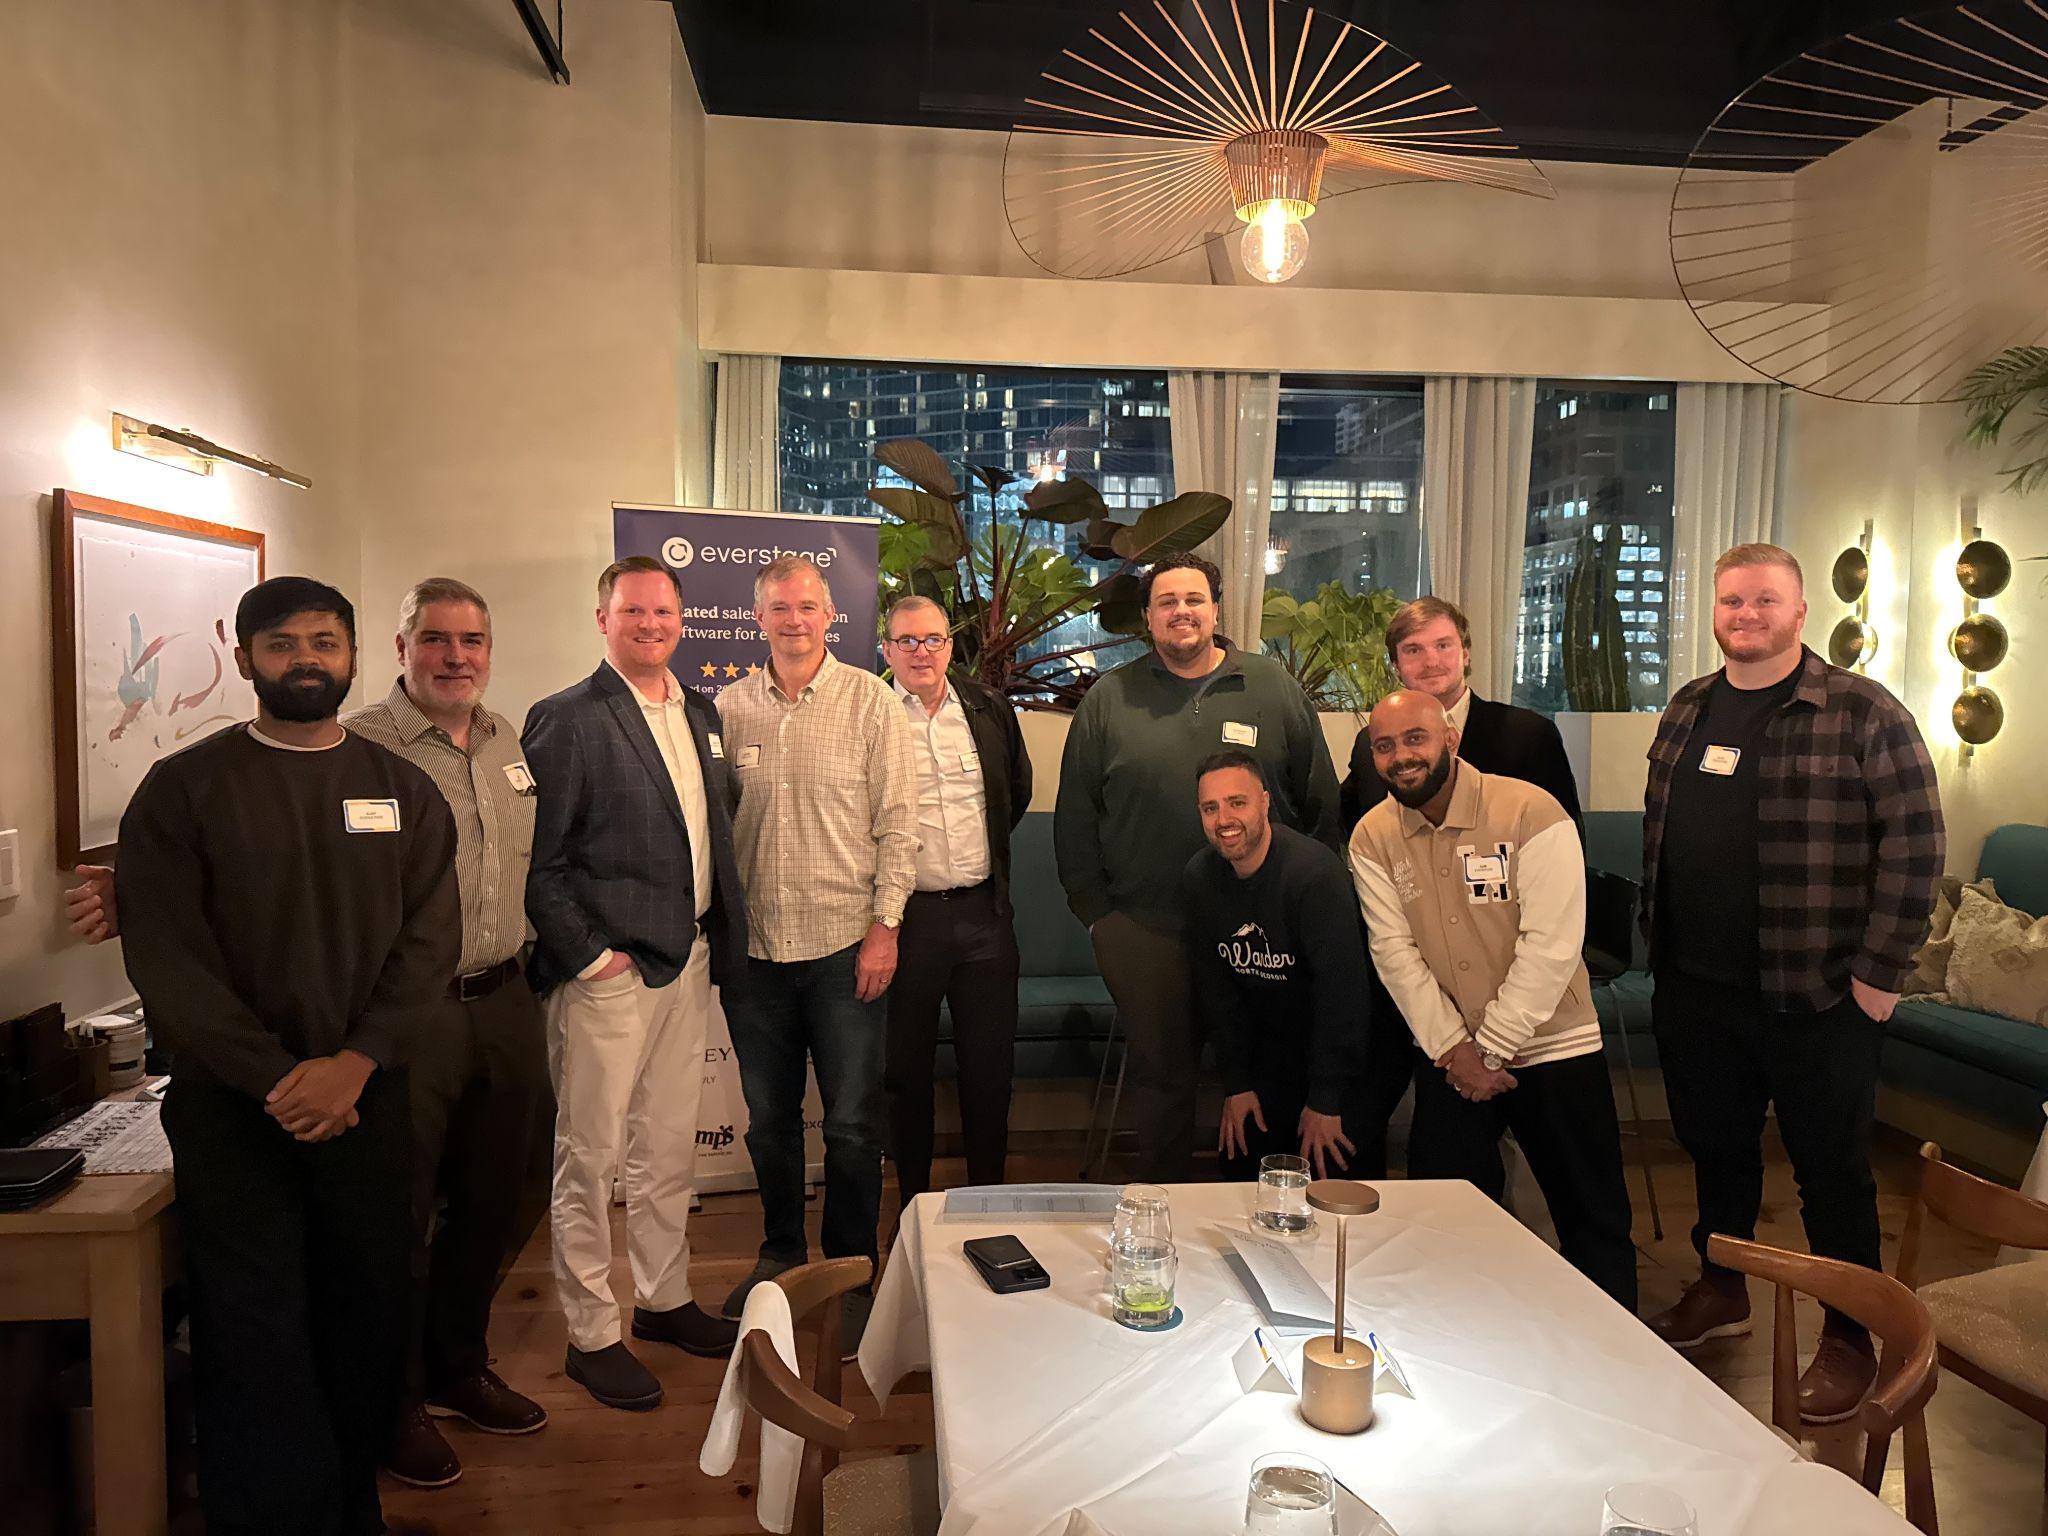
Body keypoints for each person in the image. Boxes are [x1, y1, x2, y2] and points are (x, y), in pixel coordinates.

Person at [115, 577, 459, 1536]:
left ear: (354, 655)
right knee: (251, 1327)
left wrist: (356, 1064)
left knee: (363, 1314)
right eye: (282, 645)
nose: (305, 659)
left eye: (323, 641)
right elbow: (167, 959)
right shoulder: (183, 789)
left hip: (370, 1100)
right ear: (244, 658)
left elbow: (429, 944)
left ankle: (351, 1507)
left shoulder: (405, 790)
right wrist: (275, 1076)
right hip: (235, 1111)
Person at [1641, 543, 1943, 1422]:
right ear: (1713, 611)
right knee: (1717, 1148)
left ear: (1800, 612)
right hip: (1697, 988)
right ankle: (1721, 1283)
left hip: (1818, 995)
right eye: (1731, 600)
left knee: (1831, 1172)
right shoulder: (1689, 707)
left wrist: (1881, 976)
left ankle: (1850, 1336)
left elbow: (1917, 844)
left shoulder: (1861, 711)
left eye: (1765, 600)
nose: (1746, 614)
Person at [523, 556, 749, 1411]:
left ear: (681, 620)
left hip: (686, 961)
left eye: (662, 612)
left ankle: (663, 1299)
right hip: (608, 976)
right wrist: (589, 957)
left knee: (665, 1150)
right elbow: (540, 865)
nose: (649, 624)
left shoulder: (700, 711)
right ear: (602, 619)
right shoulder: (567, 719)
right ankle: (591, 1334)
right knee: (590, 1159)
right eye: (632, 612)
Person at [342, 577, 550, 1486]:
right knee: (400, 1215)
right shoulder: (353, 746)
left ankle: (459, 1365)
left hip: (506, 998)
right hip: (408, 1014)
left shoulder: (507, 739)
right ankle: (391, 1403)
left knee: (501, 1195)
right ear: (401, 649)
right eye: (435, 639)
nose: (455, 656)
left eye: (471, 640)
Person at [1055, 551, 1340, 1183]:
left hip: (1267, 936)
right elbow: (1075, 818)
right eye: (1165, 602)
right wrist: (1100, 918)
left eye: (1193, 600)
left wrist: (1308, 906)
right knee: (1163, 1083)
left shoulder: (1271, 687)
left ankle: (1268, 1228)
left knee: (1269, 1076)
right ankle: (1161, 1225)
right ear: (1148, 618)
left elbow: (1319, 803)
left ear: (1215, 609)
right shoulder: (1109, 699)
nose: (1180, 612)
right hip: (1147, 931)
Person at [1349, 689, 1636, 1309]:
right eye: (1385, 745)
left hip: (1554, 1047)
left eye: (1416, 739)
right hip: (1452, 1061)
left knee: (1594, 1223)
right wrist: (1457, 1051)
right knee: (1441, 1221)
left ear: (1450, 739)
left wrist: (1493, 1049)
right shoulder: (1372, 835)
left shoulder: (1531, 811)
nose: (1402, 756)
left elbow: (1554, 947)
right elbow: (1394, 953)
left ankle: (1616, 1362)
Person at [716, 555, 917, 1358]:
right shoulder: (727, 709)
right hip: (755, 954)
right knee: (769, 1122)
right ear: (756, 617)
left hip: (845, 950)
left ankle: (851, 1268)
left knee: (852, 1126)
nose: (793, 619)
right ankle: (779, 1254)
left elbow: (899, 826)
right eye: (778, 607)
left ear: (831, 616)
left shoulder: (871, 702)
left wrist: (885, 928)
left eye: (807, 606)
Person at [1340, 597, 1585, 1177]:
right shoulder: (1369, 744)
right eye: (1413, 650)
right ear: (1396, 664)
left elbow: (1563, 871)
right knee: (1435, 1166)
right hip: (1424, 994)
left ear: (1467, 653)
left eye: (1443, 645)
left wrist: (1493, 1036)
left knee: (1576, 1189)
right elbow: (1363, 843)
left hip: (1527, 1001)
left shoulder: (1526, 736)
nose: (1431, 661)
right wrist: (1452, 1042)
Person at [880, 595, 1033, 1204]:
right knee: (904, 1074)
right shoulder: (869, 710)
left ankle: (986, 1201)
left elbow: (1013, 791)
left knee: (990, 1071)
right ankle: (913, 1203)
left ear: (950, 645)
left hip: (984, 917)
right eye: (908, 641)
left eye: (934, 640)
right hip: (903, 920)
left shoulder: (987, 706)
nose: (922, 652)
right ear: (886, 649)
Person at [1182, 750, 1370, 1181]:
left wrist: (1326, 1099)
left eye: (1237, 802)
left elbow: (1343, 994)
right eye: (1211, 808)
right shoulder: (1199, 878)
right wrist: (1236, 1083)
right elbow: (1216, 991)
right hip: (1265, 1063)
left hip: (1336, 1059)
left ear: (1265, 802)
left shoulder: (1314, 875)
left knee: (1330, 1181)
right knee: (1241, 1175)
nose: (1224, 818)